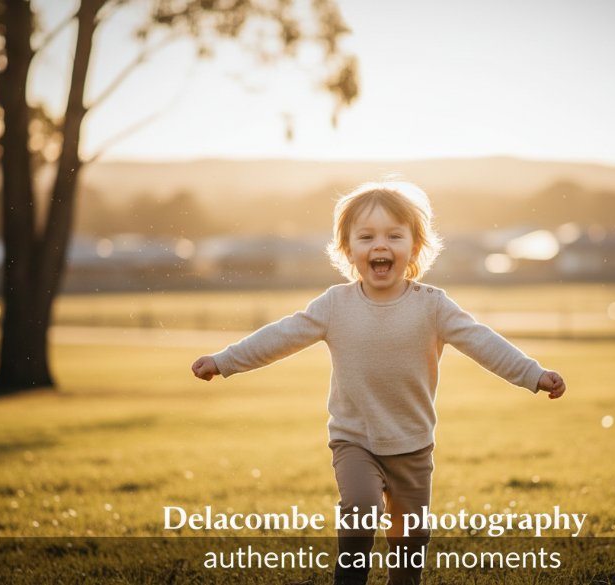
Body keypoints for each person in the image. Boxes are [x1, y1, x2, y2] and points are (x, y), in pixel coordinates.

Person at [191, 181, 566, 585]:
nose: (379, 245)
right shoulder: (335, 305)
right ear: (348, 250)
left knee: (409, 552)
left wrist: (533, 374)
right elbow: (280, 337)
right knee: (362, 510)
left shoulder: (433, 305)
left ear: (415, 248)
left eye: (394, 235)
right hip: (355, 440)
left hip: (414, 446)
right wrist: (224, 361)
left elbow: (483, 342)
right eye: (366, 237)